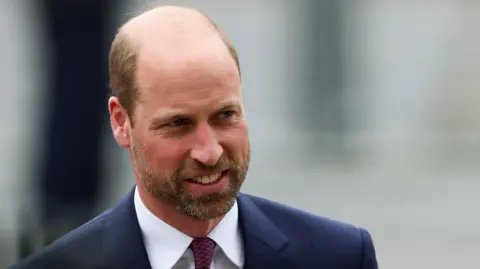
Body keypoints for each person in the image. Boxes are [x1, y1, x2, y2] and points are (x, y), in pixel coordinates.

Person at [10, 5, 378, 269]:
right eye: (179, 124)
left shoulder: (340, 256)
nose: (209, 151)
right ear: (121, 123)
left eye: (225, 116)